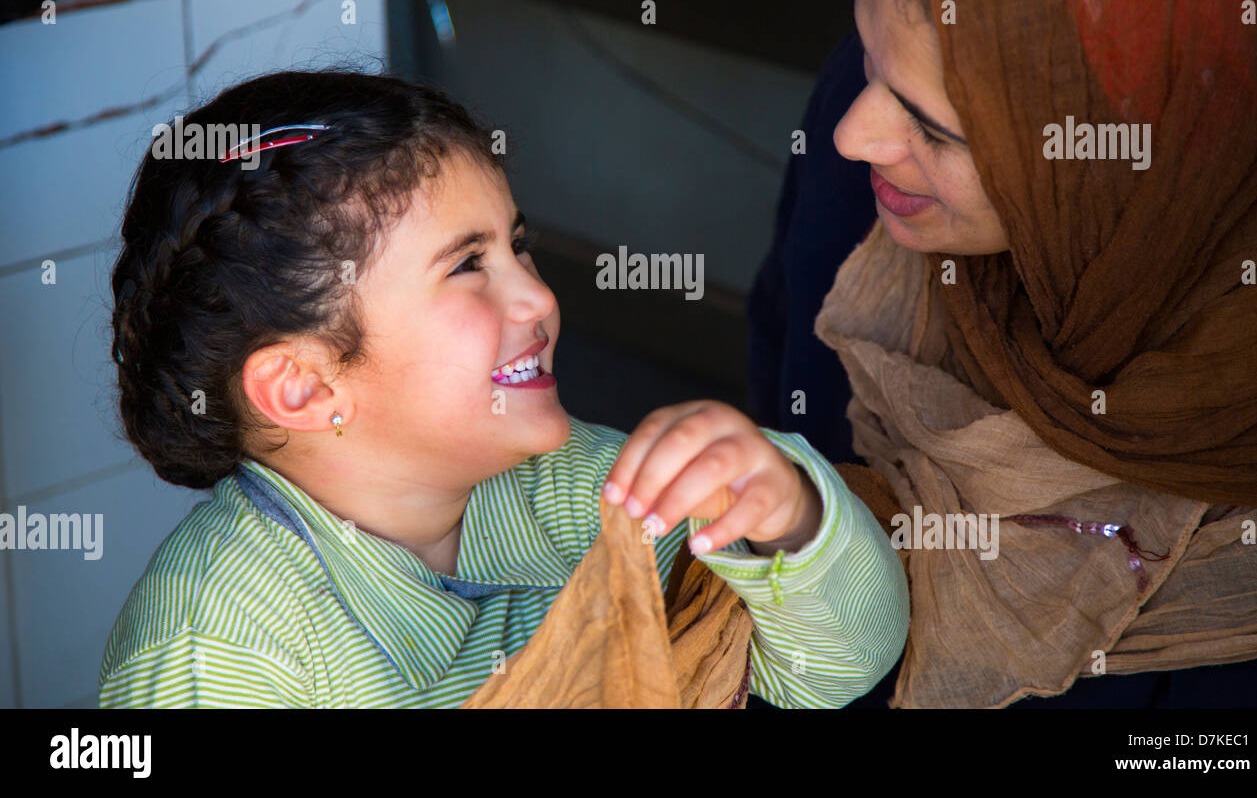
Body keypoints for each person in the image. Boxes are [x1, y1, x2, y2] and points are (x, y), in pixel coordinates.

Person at [98, 70, 909, 707]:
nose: (538, 299)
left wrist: (788, 520)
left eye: (517, 248)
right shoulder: (214, 647)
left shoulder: (576, 492)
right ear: (305, 388)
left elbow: (831, 674)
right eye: (467, 266)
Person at [749, 0, 1257, 707]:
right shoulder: (861, 161)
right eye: (864, 57)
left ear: (1129, 162)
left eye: (936, 130)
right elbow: (779, 376)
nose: (856, 135)